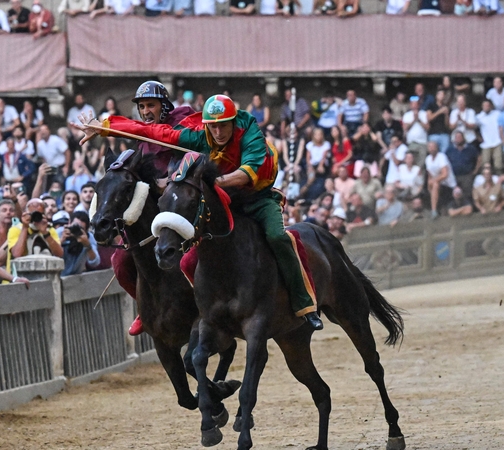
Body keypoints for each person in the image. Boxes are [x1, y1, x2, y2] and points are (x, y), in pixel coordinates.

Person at [74, 94, 323, 330]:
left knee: (278, 237)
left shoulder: (250, 134)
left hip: (256, 197)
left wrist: (213, 181)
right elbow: (155, 132)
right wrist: (106, 126)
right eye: (212, 127)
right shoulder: (201, 135)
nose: (217, 132)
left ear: (233, 122)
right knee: (188, 258)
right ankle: (207, 312)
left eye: (223, 126)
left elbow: (247, 172)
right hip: (223, 199)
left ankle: (304, 304)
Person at [7, 198, 63, 273]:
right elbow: (17, 254)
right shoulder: (16, 229)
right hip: (19, 276)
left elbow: (59, 254)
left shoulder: (50, 230)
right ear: (26, 214)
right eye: (33, 214)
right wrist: (25, 228)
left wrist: (45, 233)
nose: (36, 217)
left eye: (39, 214)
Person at [60, 211, 100, 276]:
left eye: (80, 228)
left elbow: (95, 262)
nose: (76, 230)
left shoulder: (89, 238)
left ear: (86, 230)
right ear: (69, 223)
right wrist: (61, 241)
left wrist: (87, 245)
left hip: (76, 277)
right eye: (75, 226)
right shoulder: (60, 232)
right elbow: (51, 255)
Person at [425, 141, 457, 218]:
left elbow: (445, 174)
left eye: (433, 146)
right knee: (431, 186)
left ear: (437, 147)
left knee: (435, 184)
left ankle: (434, 210)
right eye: (430, 147)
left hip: (449, 185)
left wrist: (433, 181)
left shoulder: (442, 157)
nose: (432, 148)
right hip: (438, 184)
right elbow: (430, 175)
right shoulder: (428, 159)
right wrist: (429, 185)